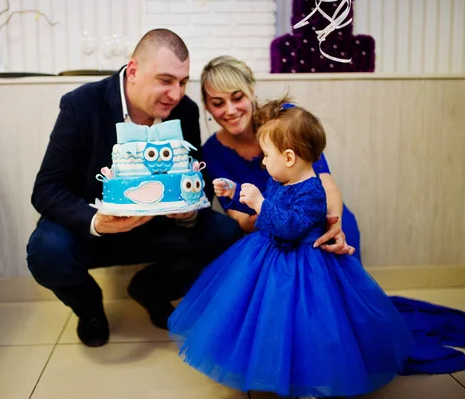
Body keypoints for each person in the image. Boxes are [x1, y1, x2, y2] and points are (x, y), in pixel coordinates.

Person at [168, 99, 412, 398]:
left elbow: (292, 226)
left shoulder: (312, 191)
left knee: (306, 324)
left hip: (304, 265)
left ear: (288, 157)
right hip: (268, 256)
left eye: (266, 155)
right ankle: (267, 368)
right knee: (266, 318)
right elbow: (265, 212)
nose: (262, 162)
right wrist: (235, 193)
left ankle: (309, 379)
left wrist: (260, 202)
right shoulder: (279, 178)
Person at [26, 29, 242, 348]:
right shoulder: (82, 105)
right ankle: (89, 309)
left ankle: (151, 290)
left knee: (224, 232)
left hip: (157, 229)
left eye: (182, 82)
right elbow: (45, 189)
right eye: (165, 80)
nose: (176, 93)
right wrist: (96, 221)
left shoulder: (186, 111)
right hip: (92, 231)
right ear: (134, 70)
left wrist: (188, 211)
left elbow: (195, 181)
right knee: (45, 251)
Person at [200, 55, 361, 262]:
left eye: (237, 97)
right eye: (218, 103)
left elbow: (326, 185)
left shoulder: (285, 121)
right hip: (274, 233)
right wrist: (264, 208)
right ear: (207, 106)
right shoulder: (212, 152)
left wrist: (334, 223)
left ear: (251, 91)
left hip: (323, 215)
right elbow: (241, 219)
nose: (230, 110)